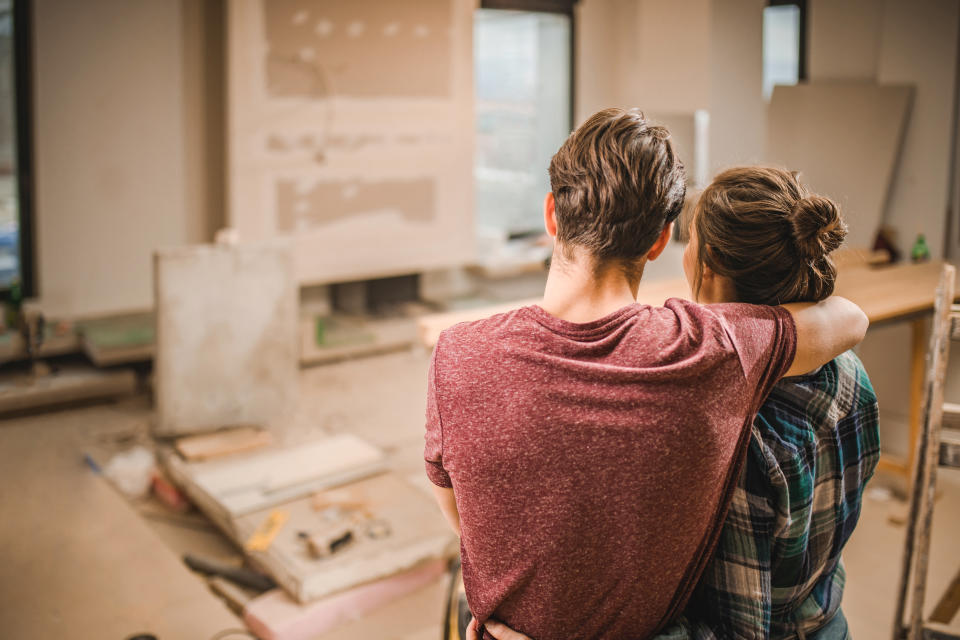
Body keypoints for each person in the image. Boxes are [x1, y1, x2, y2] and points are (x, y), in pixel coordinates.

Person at [424, 108, 869, 640]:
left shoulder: (457, 353)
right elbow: (848, 319)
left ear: (551, 216)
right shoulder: (707, 349)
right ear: (660, 240)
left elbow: (464, 515)